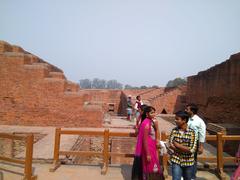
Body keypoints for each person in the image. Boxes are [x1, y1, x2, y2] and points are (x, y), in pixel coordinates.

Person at [132, 106, 164, 180]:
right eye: (152, 113)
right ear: (147, 114)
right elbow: (145, 140)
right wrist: (148, 154)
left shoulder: (150, 121)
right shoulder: (146, 124)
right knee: (151, 166)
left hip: (152, 146)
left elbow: (155, 133)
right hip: (149, 147)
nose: (154, 114)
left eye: (154, 112)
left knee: (152, 165)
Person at [169, 110, 197, 180]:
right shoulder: (174, 130)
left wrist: (177, 145)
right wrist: (184, 149)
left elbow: (192, 150)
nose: (175, 120)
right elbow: (170, 144)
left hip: (188, 162)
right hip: (176, 160)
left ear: (184, 120)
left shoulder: (192, 133)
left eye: (177, 119)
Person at [185, 103, 206, 179]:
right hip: (185, 141)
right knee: (185, 158)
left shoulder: (199, 121)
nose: (185, 110)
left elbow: (202, 134)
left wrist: (201, 146)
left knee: (193, 159)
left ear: (192, 111)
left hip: (194, 142)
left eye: (187, 109)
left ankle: (192, 176)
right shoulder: (187, 119)